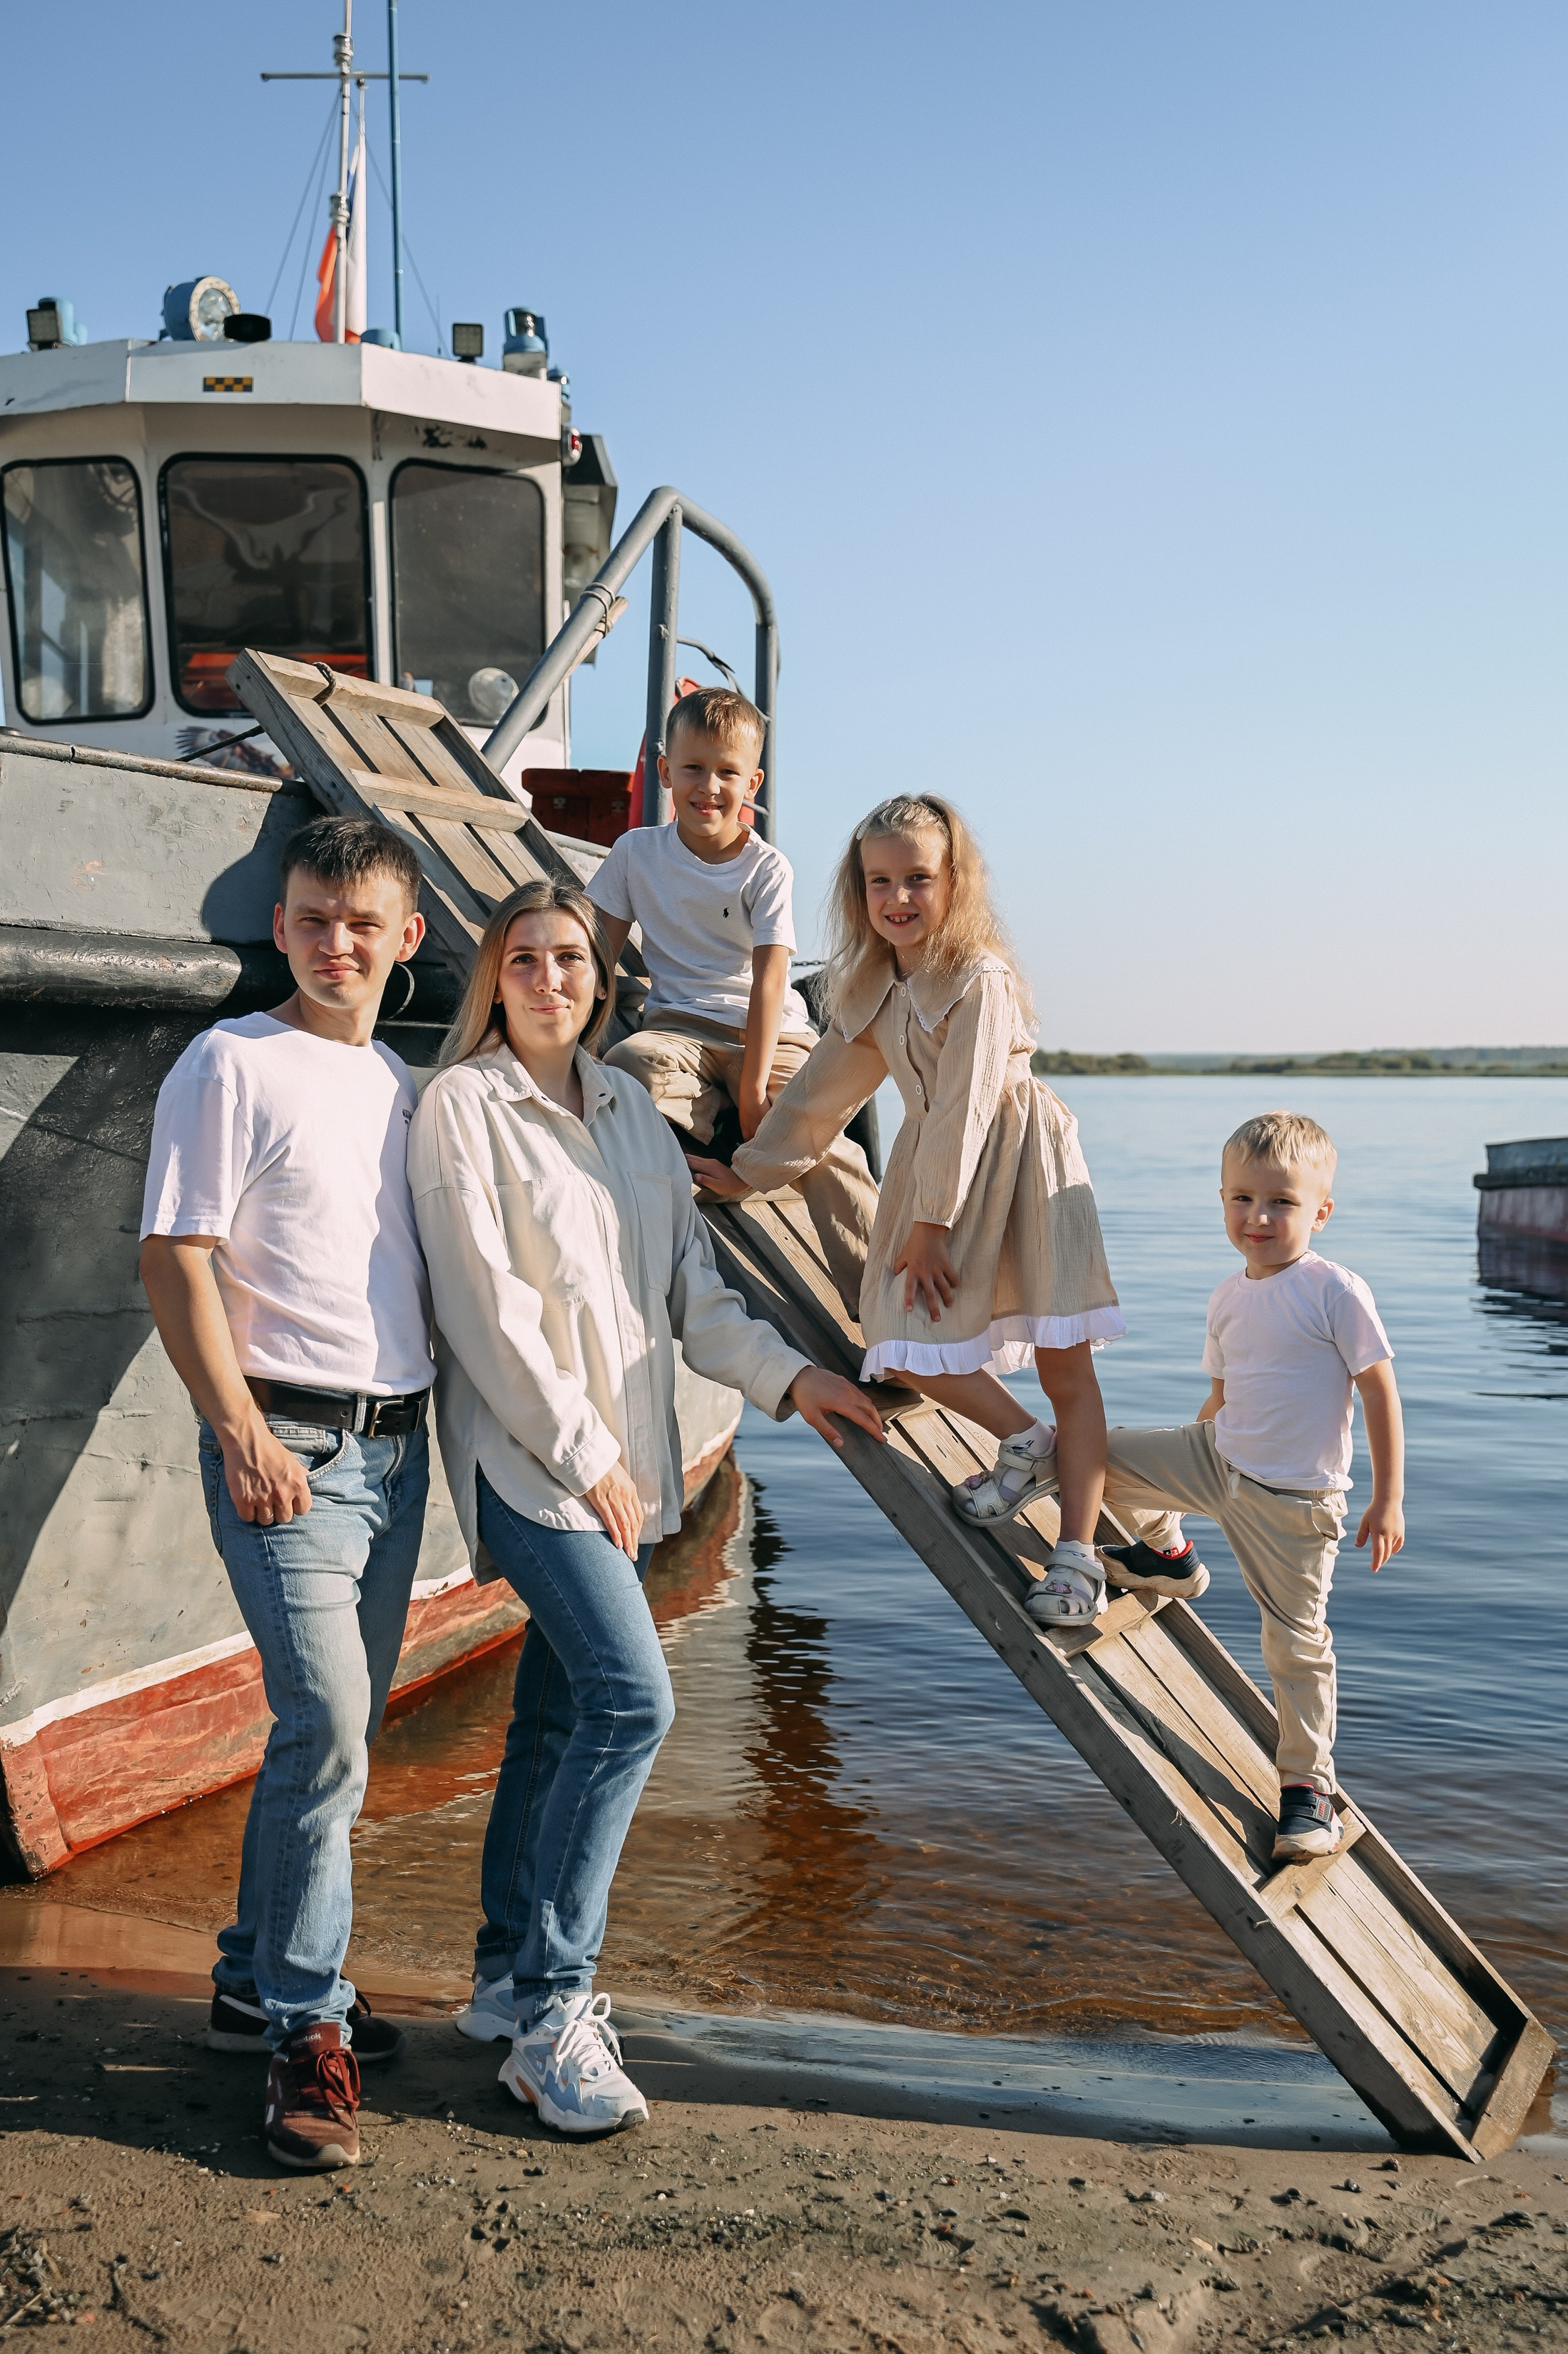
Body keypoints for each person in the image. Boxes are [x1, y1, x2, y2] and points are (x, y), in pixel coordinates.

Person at [407, 877, 883, 2134]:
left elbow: (693, 1300)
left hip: (623, 1468)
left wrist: (800, 1381)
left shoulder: (630, 1114)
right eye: (524, 960)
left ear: (600, 978)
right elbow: (483, 1308)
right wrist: (582, 1452)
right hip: (530, 1468)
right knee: (632, 1700)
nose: (550, 979)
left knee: (558, 1718)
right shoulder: (461, 1107)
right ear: (492, 979)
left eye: (570, 958)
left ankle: (503, 1981)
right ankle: (558, 2014)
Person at [139, 815, 435, 2171]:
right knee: (327, 1722)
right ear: (282, 927)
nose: (335, 944)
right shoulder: (229, 1061)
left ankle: (250, 1976)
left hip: (398, 1447)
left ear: (404, 939)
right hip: (289, 1449)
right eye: (313, 919)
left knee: (327, 1730)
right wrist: (238, 1427)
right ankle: (305, 2033)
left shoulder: (401, 1083)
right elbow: (175, 1256)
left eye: (360, 923)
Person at [689, 793, 1125, 1621]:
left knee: (1065, 1364)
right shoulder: (871, 982)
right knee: (895, 1343)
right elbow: (822, 1094)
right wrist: (749, 1172)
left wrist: (928, 1231)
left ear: (954, 881)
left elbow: (964, 1106)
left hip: (1017, 1166)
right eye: (877, 882)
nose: (896, 899)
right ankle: (1028, 1446)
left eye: (917, 879)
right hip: (938, 1173)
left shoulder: (979, 977)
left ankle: (1079, 1556)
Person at [1005, 1111, 1405, 1863]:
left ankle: (1307, 1792)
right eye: (1240, 1199)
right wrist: (1177, 1471)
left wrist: (1388, 1498)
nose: (1256, 1217)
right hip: (1215, 1457)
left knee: (1293, 1645)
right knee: (1088, 1458)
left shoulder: (1334, 1291)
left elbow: (1378, 1392)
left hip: (1293, 1502)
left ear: (1319, 1211)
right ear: (1221, 1200)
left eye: (1280, 1202)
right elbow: (1222, 1394)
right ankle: (1170, 1556)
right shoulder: (1227, 1294)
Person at [586, 684, 878, 1315]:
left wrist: (752, 1091)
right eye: (693, 768)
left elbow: (772, 981)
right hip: (680, 1033)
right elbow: (595, 957)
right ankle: (721, 1149)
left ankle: (886, 1310)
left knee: (820, 1139)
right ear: (665, 771)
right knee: (629, 1069)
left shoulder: (767, 868)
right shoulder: (636, 854)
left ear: (753, 782)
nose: (708, 787)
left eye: (727, 772)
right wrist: (573, 1049)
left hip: (769, 1035)